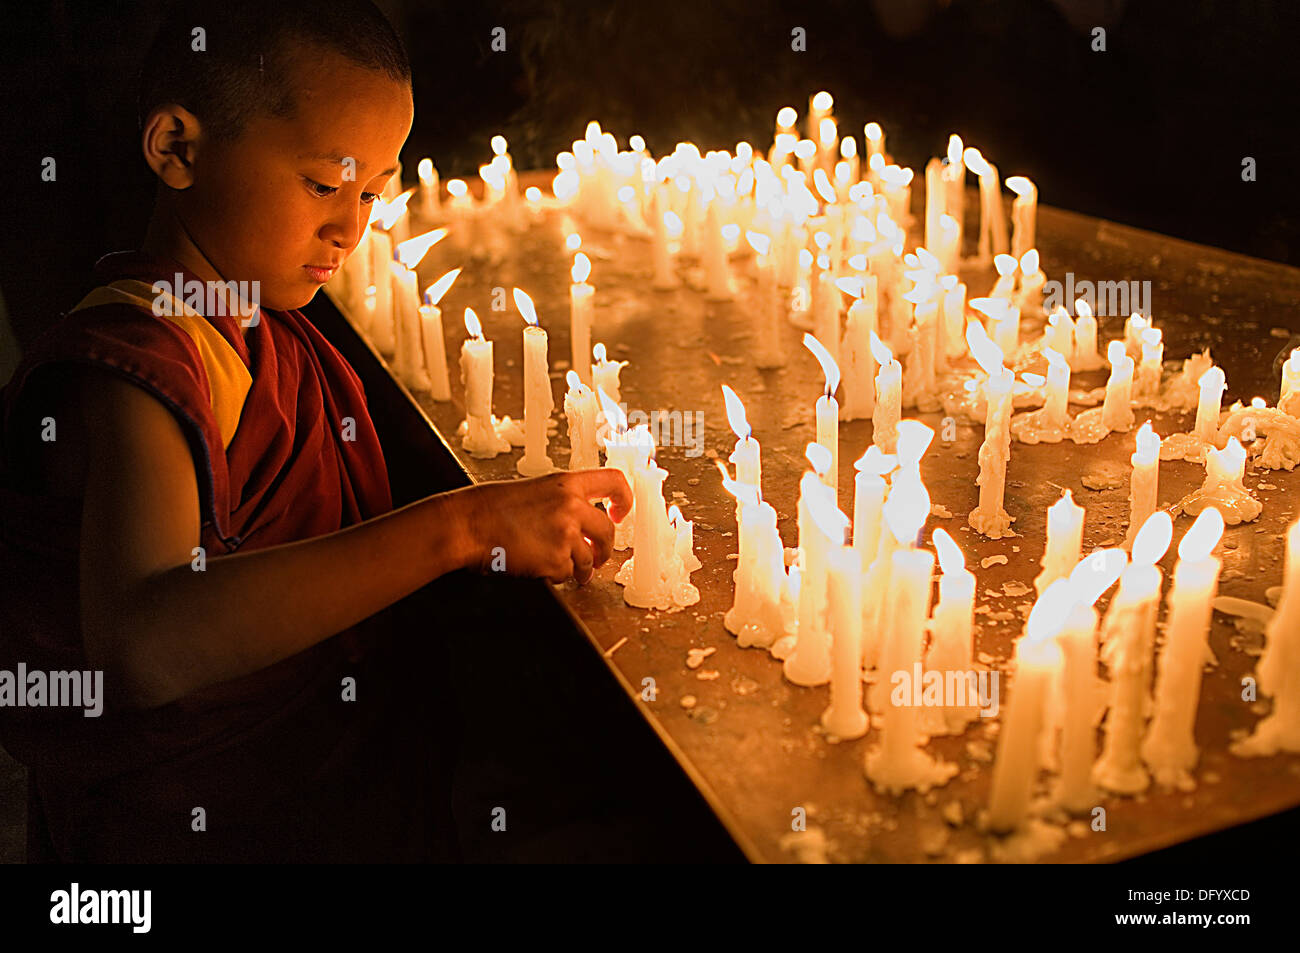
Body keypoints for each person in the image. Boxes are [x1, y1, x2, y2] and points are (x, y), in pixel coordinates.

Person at [0, 0, 630, 862]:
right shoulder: (139, 367)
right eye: (323, 184)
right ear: (178, 148)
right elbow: (146, 644)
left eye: (372, 190)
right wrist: (464, 525)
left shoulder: (260, 325)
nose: (351, 226)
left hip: (332, 800)